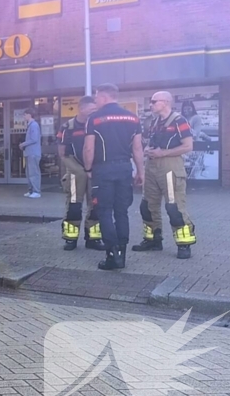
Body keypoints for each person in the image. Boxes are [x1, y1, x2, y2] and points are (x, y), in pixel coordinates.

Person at [83, 84, 145, 271]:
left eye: (96, 97)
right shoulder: (133, 118)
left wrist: (88, 168)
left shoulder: (94, 118)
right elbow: (137, 148)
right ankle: (122, 255)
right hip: (125, 168)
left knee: (104, 211)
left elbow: (88, 148)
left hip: (103, 170)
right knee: (121, 212)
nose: (95, 101)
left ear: (103, 97)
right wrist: (140, 171)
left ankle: (112, 255)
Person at [133, 91, 196, 259]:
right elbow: (152, 142)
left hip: (170, 167)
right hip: (152, 167)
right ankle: (153, 240)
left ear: (166, 102)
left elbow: (188, 146)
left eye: (154, 101)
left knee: (174, 207)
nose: (150, 105)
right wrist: (148, 149)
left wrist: (164, 153)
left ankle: (184, 244)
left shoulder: (179, 121)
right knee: (147, 206)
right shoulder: (154, 122)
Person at [57, 96, 103, 251]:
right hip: (76, 170)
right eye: (91, 109)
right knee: (74, 206)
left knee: (96, 205)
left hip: (95, 170)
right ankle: (71, 239)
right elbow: (62, 152)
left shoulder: (98, 125)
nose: (94, 112)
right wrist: (76, 169)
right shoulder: (67, 127)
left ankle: (93, 238)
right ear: (81, 109)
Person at [20, 108, 42, 198]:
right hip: (29, 153)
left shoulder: (34, 125)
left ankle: (36, 191)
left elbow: (34, 139)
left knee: (34, 172)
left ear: (29, 115)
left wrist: (23, 144)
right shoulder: (30, 125)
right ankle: (31, 190)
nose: (24, 116)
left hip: (33, 153)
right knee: (29, 173)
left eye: (25, 114)